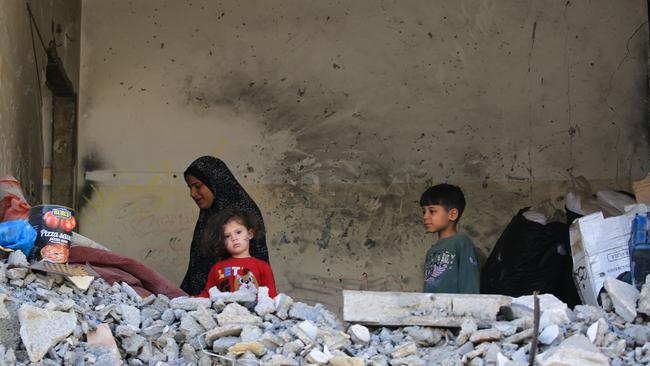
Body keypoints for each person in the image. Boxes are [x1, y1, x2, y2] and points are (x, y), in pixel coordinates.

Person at [180, 156, 269, 295]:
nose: (193, 194)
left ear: (215, 182)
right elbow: (198, 265)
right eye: (190, 188)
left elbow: (256, 268)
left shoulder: (244, 214)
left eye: (197, 186)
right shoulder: (208, 214)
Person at [196, 209, 277, 298]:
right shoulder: (217, 268)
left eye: (238, 232)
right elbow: (208, 295)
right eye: (227, 236)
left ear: (250, 234)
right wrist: (190, 300)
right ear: (222, 241)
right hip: (225, 311)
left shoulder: (262, 267)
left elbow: (271, 297)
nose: (234, 238)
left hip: (253, 311)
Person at [421, 183, 480, 294]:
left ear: (452, 214)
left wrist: (469, 309)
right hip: (433, 309)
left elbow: (470, 283)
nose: (425, 216)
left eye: (432, 211)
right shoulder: (431, 252)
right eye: (424, 211)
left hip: (456, 310)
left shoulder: (462, 243)